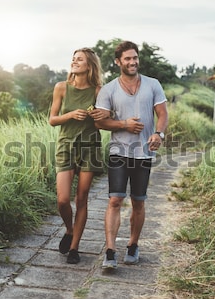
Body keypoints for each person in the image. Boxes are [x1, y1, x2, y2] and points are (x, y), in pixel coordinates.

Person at [94, 40, 168, 269]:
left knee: (138, 201)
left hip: (144, 153)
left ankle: (133, 245)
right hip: (119, 151)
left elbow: (163, 114)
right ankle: (110, 250)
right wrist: (124, 124)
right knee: (115, 199)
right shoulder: (108, 90)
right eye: (127, 58)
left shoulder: (153, 84)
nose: (132, 62)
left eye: (135, 57)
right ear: (118, 62)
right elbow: (101, 123)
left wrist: (159, 134)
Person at [48, 47, 109, 264]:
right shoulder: (61, 87)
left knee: (81, 199)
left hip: (90, 147)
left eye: (79, 59)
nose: (74, 62)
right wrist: (72, 114)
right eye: (73, 59)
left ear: (89, 65)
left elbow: (106, 118)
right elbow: (52, 119)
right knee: (63, 200)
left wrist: (102, 114)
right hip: (66, 146)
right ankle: (69, 229)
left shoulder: (98, 91)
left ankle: (74, 248)